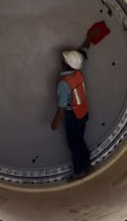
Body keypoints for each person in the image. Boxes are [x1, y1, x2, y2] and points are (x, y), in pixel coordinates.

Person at [50, 31, 93, 181]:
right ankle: (87, 164)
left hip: (73, 116)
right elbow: (83, 52)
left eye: (63, 59)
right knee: (80, 139)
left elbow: (62, 107)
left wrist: (56, 122)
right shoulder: (78, 72)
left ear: (64, 64)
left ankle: (80, 171)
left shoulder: (64, 83)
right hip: (83, 112)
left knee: (74, 144)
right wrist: (88, 38)